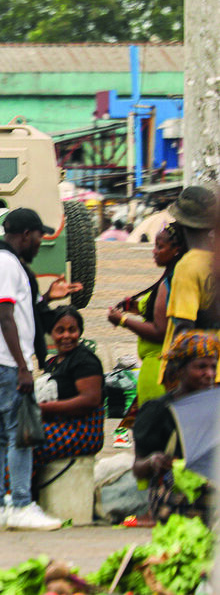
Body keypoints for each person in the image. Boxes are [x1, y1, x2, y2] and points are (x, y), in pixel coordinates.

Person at [0, 207, 83, 531]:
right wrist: (23, 367)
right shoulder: (6, 264)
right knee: (21, 436)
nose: (40, 244)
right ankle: (20, 505)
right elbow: (5, 316)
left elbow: (20, 311)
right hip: (6, 363)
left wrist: (45, 297)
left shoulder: (4, 261)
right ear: (26, 234)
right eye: (39, 237)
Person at [0, 307, 104, 512]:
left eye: (72, 330)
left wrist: (47, 409)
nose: (66, 336)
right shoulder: (54, 362)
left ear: (80, 332)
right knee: (9, 435)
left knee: (26, 440)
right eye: (60, 330)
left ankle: (15, 499)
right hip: (59, 423)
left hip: (82, 430)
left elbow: (90, 400)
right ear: (52, 333)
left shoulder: (85, 361)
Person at [108, 223, 188, 446]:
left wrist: (123, 320)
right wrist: (134, 307)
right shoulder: (175, 278)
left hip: (157, 370)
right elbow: (158, 312)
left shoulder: (168, 282)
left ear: (176, 250)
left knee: (153, 443)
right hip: (161, 370)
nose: (154, 251)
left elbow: (159, 330)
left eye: (160, 247)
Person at [133, 330, 220, 524]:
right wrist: (153, 461)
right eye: (201, 367)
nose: (209, 374)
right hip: (175, 503)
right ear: (180, 370)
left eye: (213, 367)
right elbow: (138, 468)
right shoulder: (158, 411)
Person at [161, 186, 220, 371]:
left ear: (180, 224)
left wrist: (173, 369)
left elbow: (184, 327)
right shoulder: (215, 261)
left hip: (198, 377)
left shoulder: (188, 267)